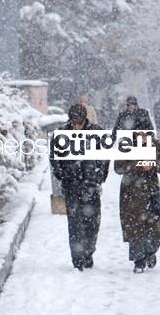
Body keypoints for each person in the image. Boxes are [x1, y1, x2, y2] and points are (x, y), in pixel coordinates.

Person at [50, 104, 110, 271]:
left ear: (85, 120)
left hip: (91, 184)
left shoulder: (97, 133)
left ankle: (89, 252)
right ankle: (77, 259)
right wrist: (61, 174)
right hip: (71, 186)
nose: (76, 125)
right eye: (73, 122)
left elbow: (106, 156)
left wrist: (100, 176)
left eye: (79, 122)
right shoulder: (61, 135)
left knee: (92, 223)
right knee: (75, 224)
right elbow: (54, 158)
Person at [114, 121, 160, 273]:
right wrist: (139, 164)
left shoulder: (155, 144)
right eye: (139, 133)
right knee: (135, 229)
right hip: (131, 194)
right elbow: (118, 167)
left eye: (145, 133)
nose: (142, 136)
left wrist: (154, 164)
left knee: (155, 229)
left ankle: (150, 252)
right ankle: (138, 260)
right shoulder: (126, 145)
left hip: (151, 192)